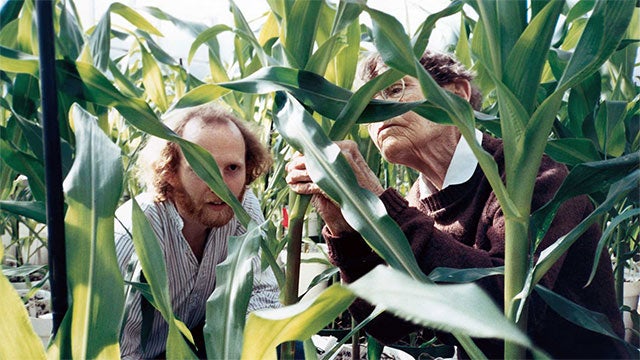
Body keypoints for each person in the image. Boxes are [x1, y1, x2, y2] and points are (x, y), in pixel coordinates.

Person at [285, 51, 626, 359]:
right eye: (367, 108)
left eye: (393, 91)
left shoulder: (532, 175)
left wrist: (380, 208)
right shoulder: (417, 201)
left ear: (457, 95)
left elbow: (511, 312)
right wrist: (348, 232)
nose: (379, 114)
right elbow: (390, 325)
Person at [115, 103, 280, 359]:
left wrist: (244, 348)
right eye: (203, 169)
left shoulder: (243, 208)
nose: (221, 186)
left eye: (233, 168)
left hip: (209, 343)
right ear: (170, 171)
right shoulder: (134, 234)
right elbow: (120, 350)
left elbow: (261, 292)